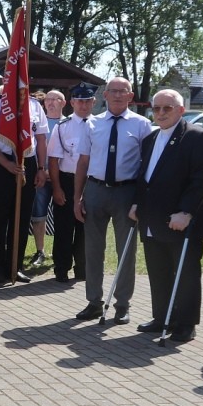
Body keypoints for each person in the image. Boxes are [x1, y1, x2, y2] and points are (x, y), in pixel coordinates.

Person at [129, 89, 203, 343]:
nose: (160, 113)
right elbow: (144, 178)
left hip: (182, 220)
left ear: (181, 110)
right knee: (158, 270)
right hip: (151, 217)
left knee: (185, 273)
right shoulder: (150, 139)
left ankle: (186, 323)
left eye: (167, 108)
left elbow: (202, 180)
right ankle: (162, 317)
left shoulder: (197, 137)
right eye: (156, 108)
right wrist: (137, 203)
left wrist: (186, 211)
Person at [72, 77, 152, 323]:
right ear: (105, 96)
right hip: (95, 190)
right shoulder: (91, 124)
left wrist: (140, 201)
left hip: (126, 193)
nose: (118, 95)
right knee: (93, 249)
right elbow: (83, 162)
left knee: (125, 251)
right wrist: (78, 197)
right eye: (113, 91)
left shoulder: (142, 125)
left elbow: (146, 166)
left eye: (123, 91)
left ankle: (122, 304)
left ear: (130, 96)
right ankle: (94, 301)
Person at [0, 78, 49, 285]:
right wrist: (6, 164)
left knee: (22, 217)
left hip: (29, 161)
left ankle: (15, 267)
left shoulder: (34, 105)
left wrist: (41, 168)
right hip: (2, 162)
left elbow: (41, 138)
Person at [47, 83, 94, 283]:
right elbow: (53, 160)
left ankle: (83, 268)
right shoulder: (62, 126)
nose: (83, 105)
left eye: (87, 101)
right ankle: (61, 268)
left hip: (92, 183)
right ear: (72, 102)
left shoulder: (100, 125)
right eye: (79, 101)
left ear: (94, 102)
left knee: (87, 228)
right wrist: (56, 188)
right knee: (64, 228)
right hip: (67, 180)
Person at [29, 89, 66, 267]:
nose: (50, 103)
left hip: (63, 177)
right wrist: (41, 170)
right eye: (48, 99)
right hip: (42, 175)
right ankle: (40, 251)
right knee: (39, 213)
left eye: (55, 99)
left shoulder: (69, 123)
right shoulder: (37, 123)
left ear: (63, 103)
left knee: (62, 214)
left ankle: (61, 252)